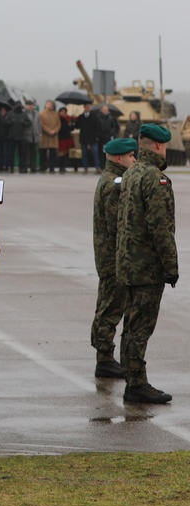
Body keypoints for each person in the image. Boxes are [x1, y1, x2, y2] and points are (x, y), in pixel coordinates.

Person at [115, 124, 177, 404]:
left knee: (131, 325)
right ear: (160, 146)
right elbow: (160, 227)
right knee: (140, 327)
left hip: (128, 262)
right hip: (147, 265)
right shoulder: (156, 178)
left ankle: (132, 378)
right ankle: (137, 383)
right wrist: (171, 266)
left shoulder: (131, 173)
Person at [91, 137, 138, 380]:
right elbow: (116, 226)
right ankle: (105, 359)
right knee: (110, 307)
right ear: (119, 158)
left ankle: (105, 357)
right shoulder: (114, 185)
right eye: (131, 156)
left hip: (108, 256)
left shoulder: (109, 179)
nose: (135, 160)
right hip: (113, 258)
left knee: (108, 305)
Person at [74, 103, 100, 173]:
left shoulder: (94, 116)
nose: (88, 108)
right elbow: (77, 126)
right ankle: (85, 167)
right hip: (83, 138)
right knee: (84, 153)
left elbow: (97, 127)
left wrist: (97, 136)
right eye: (87, 107)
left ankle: (97, 167)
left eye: (89, 107)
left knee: (95, 153)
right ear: (84, 107)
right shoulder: (81, 117)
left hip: (93, 138)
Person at [38, 100, 61, 172]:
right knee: (43, 152)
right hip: (45, 136)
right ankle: (43, 166)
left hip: (54, 136)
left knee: (53, 152)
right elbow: (41, 124)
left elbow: (59, 124)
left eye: (51, 104)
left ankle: (52, 167)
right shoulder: (41, 114)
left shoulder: (56, 114)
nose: (50, 105)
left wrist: (55, 131)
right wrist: (48, 131)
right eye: (48, 104)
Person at [57, 106, 77, 173]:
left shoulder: (68, 118)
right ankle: (61, 166)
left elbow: (71, 128)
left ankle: (64, 166)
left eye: (64, 112)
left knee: (66, 151)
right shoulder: (58, 118)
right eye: (62, 112)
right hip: (61, 137)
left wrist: (71, 125)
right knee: (61, 152)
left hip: (67, 137)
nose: (63, 113)